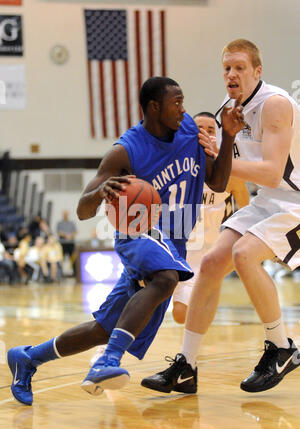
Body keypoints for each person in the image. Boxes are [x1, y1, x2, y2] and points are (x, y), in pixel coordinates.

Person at [7, 76, 244, 406]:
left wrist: (229, 134)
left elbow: (218, 182)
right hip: (138, 232)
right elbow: (82, 209)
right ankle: (107, 361)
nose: (183, 108)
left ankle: (27, 358)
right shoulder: (126, 150)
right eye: (176, 103)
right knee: (167, 278)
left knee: (103, 328)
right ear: (154, 107)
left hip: (172, 242)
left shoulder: (189, 130)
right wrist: (100, 192)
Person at [141, 39, 300, 395]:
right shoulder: (228, 110)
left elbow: (273, 173)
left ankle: (282, 347)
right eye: (227, 68)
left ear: (257, 72)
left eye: (240, 67)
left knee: (244, 255)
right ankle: (186, 367)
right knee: (212, 263)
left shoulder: (273, 104)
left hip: (295, 201)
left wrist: (216, 152)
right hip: (270, 200)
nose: (232, 74)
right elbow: (229, 174)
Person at [172, 112, 249, 323]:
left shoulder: (229, 172)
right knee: (178, 313)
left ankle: (193, 349)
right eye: (200, 129)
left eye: (211, 129)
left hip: (212, 252)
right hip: (180, 251)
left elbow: (247, 208)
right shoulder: (178, 167)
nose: (205, 133)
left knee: (189, 311)